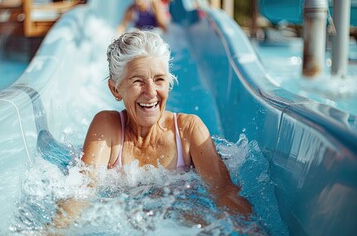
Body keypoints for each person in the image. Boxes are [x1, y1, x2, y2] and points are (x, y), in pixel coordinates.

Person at [51, 30, 252, 229]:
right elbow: (81, 192)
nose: (150, 92)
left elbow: (224, 191)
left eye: (159, 80)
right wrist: (53, 230)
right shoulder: (107, 128)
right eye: (138, 81)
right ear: (115, 89)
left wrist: (252, 230)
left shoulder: (188, 131)